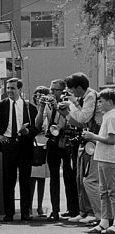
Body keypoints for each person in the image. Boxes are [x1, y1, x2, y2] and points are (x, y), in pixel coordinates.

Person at [0, 78, 39, 222]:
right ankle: (9, 213)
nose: (9, 91)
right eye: (7, 88)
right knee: (8, 181)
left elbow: (37, 126)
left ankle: (25, 212)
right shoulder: (2, 105)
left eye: (13, 88)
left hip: (24, 145)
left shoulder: (29, 107)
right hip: (8, 145)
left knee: (25, 180)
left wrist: (28, 131)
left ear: (20, 90)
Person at [35, 80, 79, 221]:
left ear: (62, 91)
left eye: (55, 90)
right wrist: (41, 108)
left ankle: (72, 209)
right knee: (53, 177)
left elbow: (70, 121)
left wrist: (57, 107)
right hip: (53, 141)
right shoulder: (48, 105)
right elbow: (38, 124)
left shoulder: (69, 104)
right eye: (51, 89)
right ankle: (55, 210)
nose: (52, 92)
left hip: (66, 141)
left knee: (68, 175)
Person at [58, 73, 99, 224]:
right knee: (80, 178)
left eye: (72, 89)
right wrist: (66, 115)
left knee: (88, 179)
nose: (71, 92)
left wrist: (71, 105)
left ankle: (92, 212)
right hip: (84, 140)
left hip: (92, 142)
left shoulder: (91, 96)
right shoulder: (82, 98)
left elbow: (83, 118)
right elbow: (80, 123)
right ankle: (84, 211)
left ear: (79, 88)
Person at [83, 89, 115, 233]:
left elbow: (111, 139)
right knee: (103, 191)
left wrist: (93, 137)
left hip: (110, 159)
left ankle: (111, 221)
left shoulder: (112, 117)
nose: (99, 104)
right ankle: (104, 221)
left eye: (101, 101)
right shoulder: (107, 116)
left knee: (111, 191)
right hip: (103, 157)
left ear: (109, 102)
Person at [30, 86, 50, 217]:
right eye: (37, 95)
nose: (39, 98)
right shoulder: (30, 109)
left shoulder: (49, 109)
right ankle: (30, 205)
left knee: (42, 177)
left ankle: (40, 205)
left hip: (45, 142)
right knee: (32, 177)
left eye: (42, 95)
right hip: (33, 142)